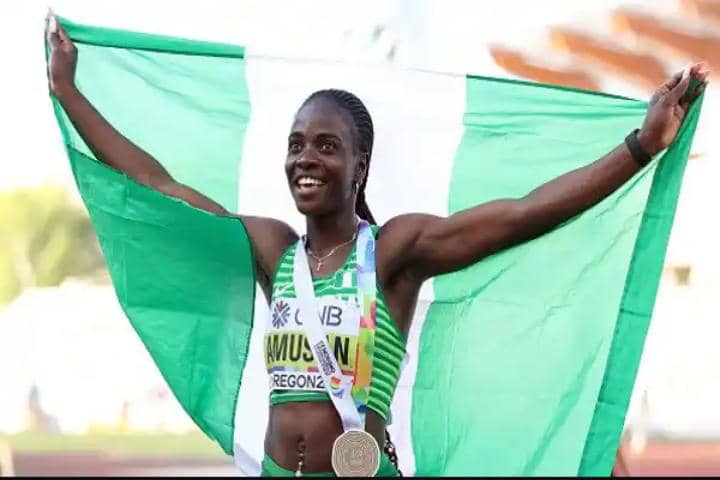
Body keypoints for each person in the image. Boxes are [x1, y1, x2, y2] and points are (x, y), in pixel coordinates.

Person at [46, 13, 709, 477]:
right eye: (297, 144)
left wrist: (639, 147)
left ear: (360, 167)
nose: (307, 158)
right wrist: (69, 94)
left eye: (327, 146)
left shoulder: (394, 252)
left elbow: (521, 215)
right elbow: (157, 183)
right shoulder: (272, 250)